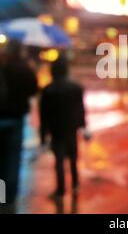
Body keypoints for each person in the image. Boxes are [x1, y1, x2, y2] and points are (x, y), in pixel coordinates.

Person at [39, 56, 87, 199]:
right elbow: (81, 109)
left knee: (59, 161)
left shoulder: (48, 90)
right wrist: (83, 127)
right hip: (71, 129)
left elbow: (44, 116)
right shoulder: (76, 88)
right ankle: (75, 184)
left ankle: (60, 190)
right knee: (73, 157)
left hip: (56, 131)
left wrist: (43, 136)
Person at [0, 40, 38, 213]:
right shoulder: (24, 69)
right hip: (16, 119)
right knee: (13, 159)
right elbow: (33, 90)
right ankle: (9, 200)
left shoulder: (3, 66)